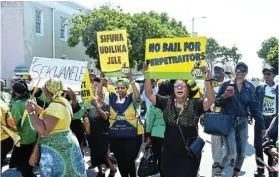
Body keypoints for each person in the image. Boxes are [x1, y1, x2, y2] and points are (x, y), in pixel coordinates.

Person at [144, 64, 215, 177]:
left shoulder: (195, 104)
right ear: (173, 89)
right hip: (169, 154)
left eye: (182, 85)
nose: (179, 88)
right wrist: (147, 75)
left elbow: (210, 100)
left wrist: (207, 80)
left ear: (188, 89)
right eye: (176, 85)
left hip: (189, 155)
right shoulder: (166, 102)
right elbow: (148, 93)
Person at [25, 78, 87, 177]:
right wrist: (35, 107)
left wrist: (31, 112)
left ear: (47, 90)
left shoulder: (55, 106)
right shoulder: (63, 102)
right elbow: (49, 117)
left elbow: (44, 130)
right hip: (66, 142)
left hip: (56, 147)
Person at [214, 62, 266, 177]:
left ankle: (235, 175)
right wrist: (224, 96)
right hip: (228, 122)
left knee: (241, 154)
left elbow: (255, 108)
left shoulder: (250, 87)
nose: (240, 71)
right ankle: (218, 172)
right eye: (238, 69)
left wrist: (262, 125)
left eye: (243, 70)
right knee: (231, 153)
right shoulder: (226, 84)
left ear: (246, 72)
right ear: (235, 71)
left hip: (242, 122)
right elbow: (217, 102)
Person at [97, 72, 143, 177]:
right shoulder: (112, 97)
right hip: (116, 137)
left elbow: (138, 98)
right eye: (118, 88)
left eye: (123, 88)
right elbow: (99, 93)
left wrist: (132, 80)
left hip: (132, 136)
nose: (120, 90)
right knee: (121, 160)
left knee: (129, 160)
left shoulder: (131, 98)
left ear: (127, 88)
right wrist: (101, 80)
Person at [145, 80, 173, 177]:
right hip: (171, 134)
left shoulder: (155, 103)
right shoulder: (175, 103)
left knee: (159, 159)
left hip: (157, 135)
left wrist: (147, 133)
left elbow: (149, 121)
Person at [9, 80, 37, 177]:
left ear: (15, 91)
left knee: (23, 163)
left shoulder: (16, 104)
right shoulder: (32, 100)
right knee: (30, 157)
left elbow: (14, 122)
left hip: (22, 137)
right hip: (33, 134)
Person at [254, 66, 278, 176]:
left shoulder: (278, 88)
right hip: (261, 120)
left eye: (269, 73)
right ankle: (260, 169)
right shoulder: (259, 88)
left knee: (271, 146)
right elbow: (253, 103)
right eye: (264, 73)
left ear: (274, 75)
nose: (266, 75)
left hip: (273, 121)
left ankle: (271, 169)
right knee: (258, 145)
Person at [209, 63, 234, 169]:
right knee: (215, 138)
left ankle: (233, 158)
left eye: (219, 69)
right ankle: (216, 160)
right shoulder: (210, 82)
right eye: (215, 69)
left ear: (223, 71)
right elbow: (207, 97)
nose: (216, 71)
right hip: (215, 112)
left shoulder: (231, 82)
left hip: (229, 113)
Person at [85, 94, 116, 177]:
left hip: (103, 134)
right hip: (92, 134)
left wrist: (96, 106)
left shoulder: (105, 106)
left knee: (104, 153)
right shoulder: (88, 106)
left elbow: (105, 117)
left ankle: (112, 169)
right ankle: (100, 172)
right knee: (95, 154)